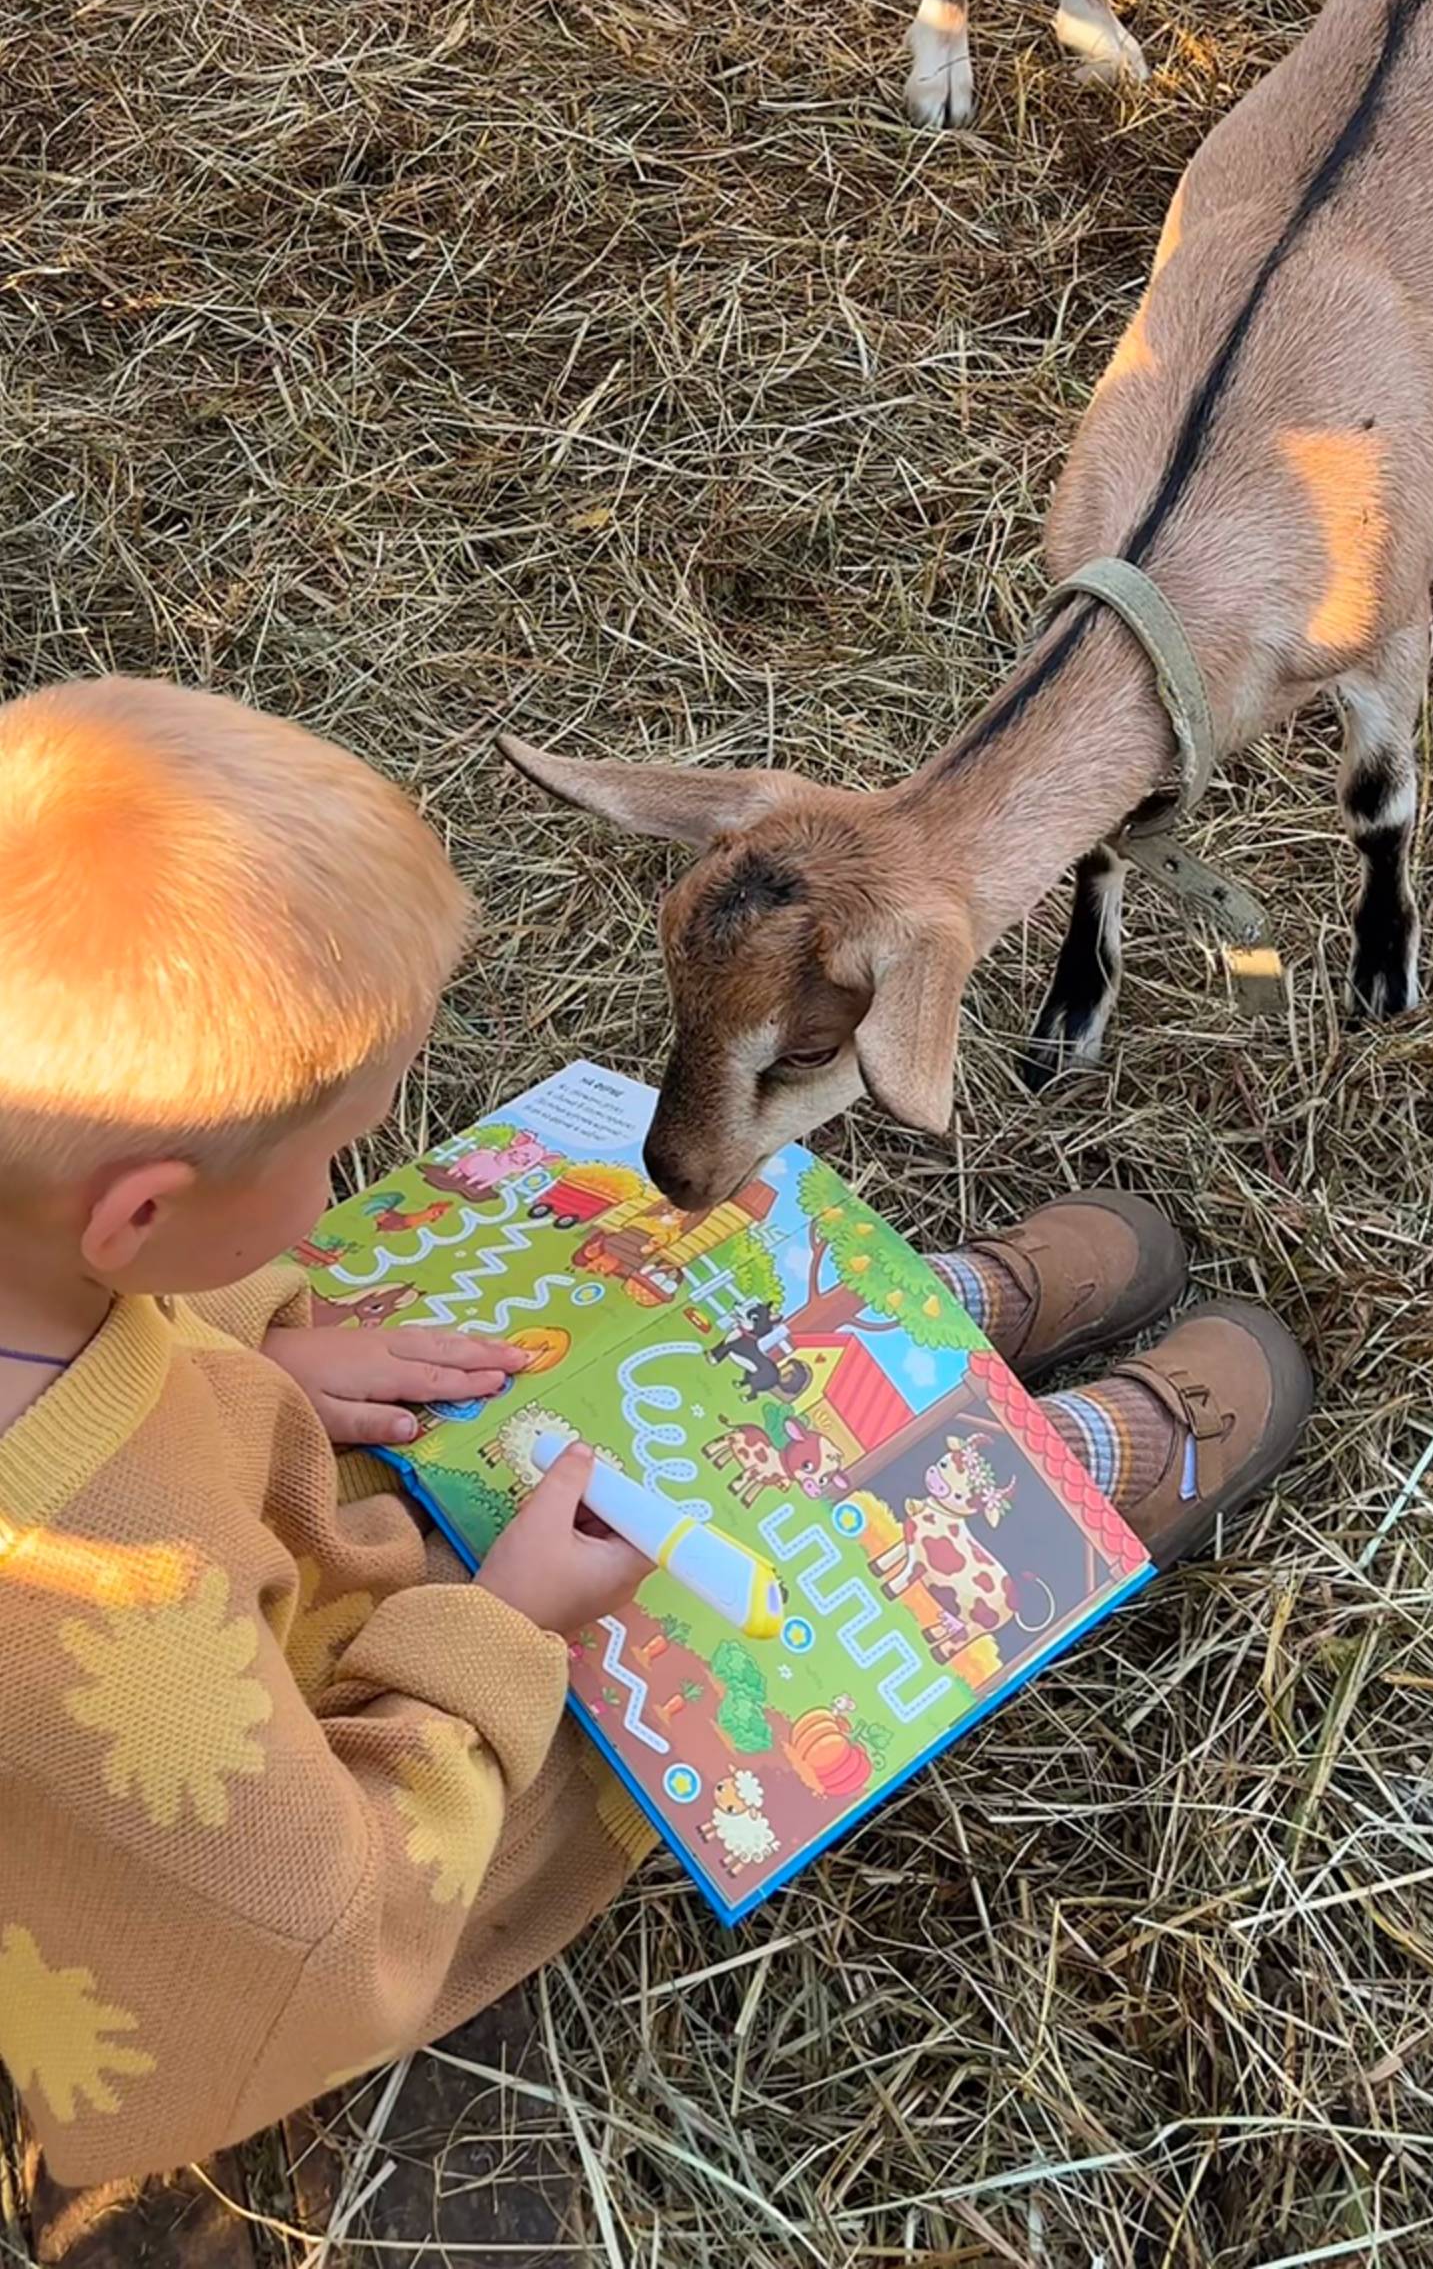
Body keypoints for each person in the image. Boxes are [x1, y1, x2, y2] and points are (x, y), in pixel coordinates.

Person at [0, 679, 1310, 2192]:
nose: (341, 1164)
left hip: (220, 1527)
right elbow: (310, 1928)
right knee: (686, 1603)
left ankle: (906, 1320)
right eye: (328, 1146)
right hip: (287, 1793)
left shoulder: (51, 1254)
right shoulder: (104, 1621)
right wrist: (496, 1633)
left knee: (496, 1351)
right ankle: (1030, 1484)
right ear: (143, 1216)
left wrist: (251, 1329)